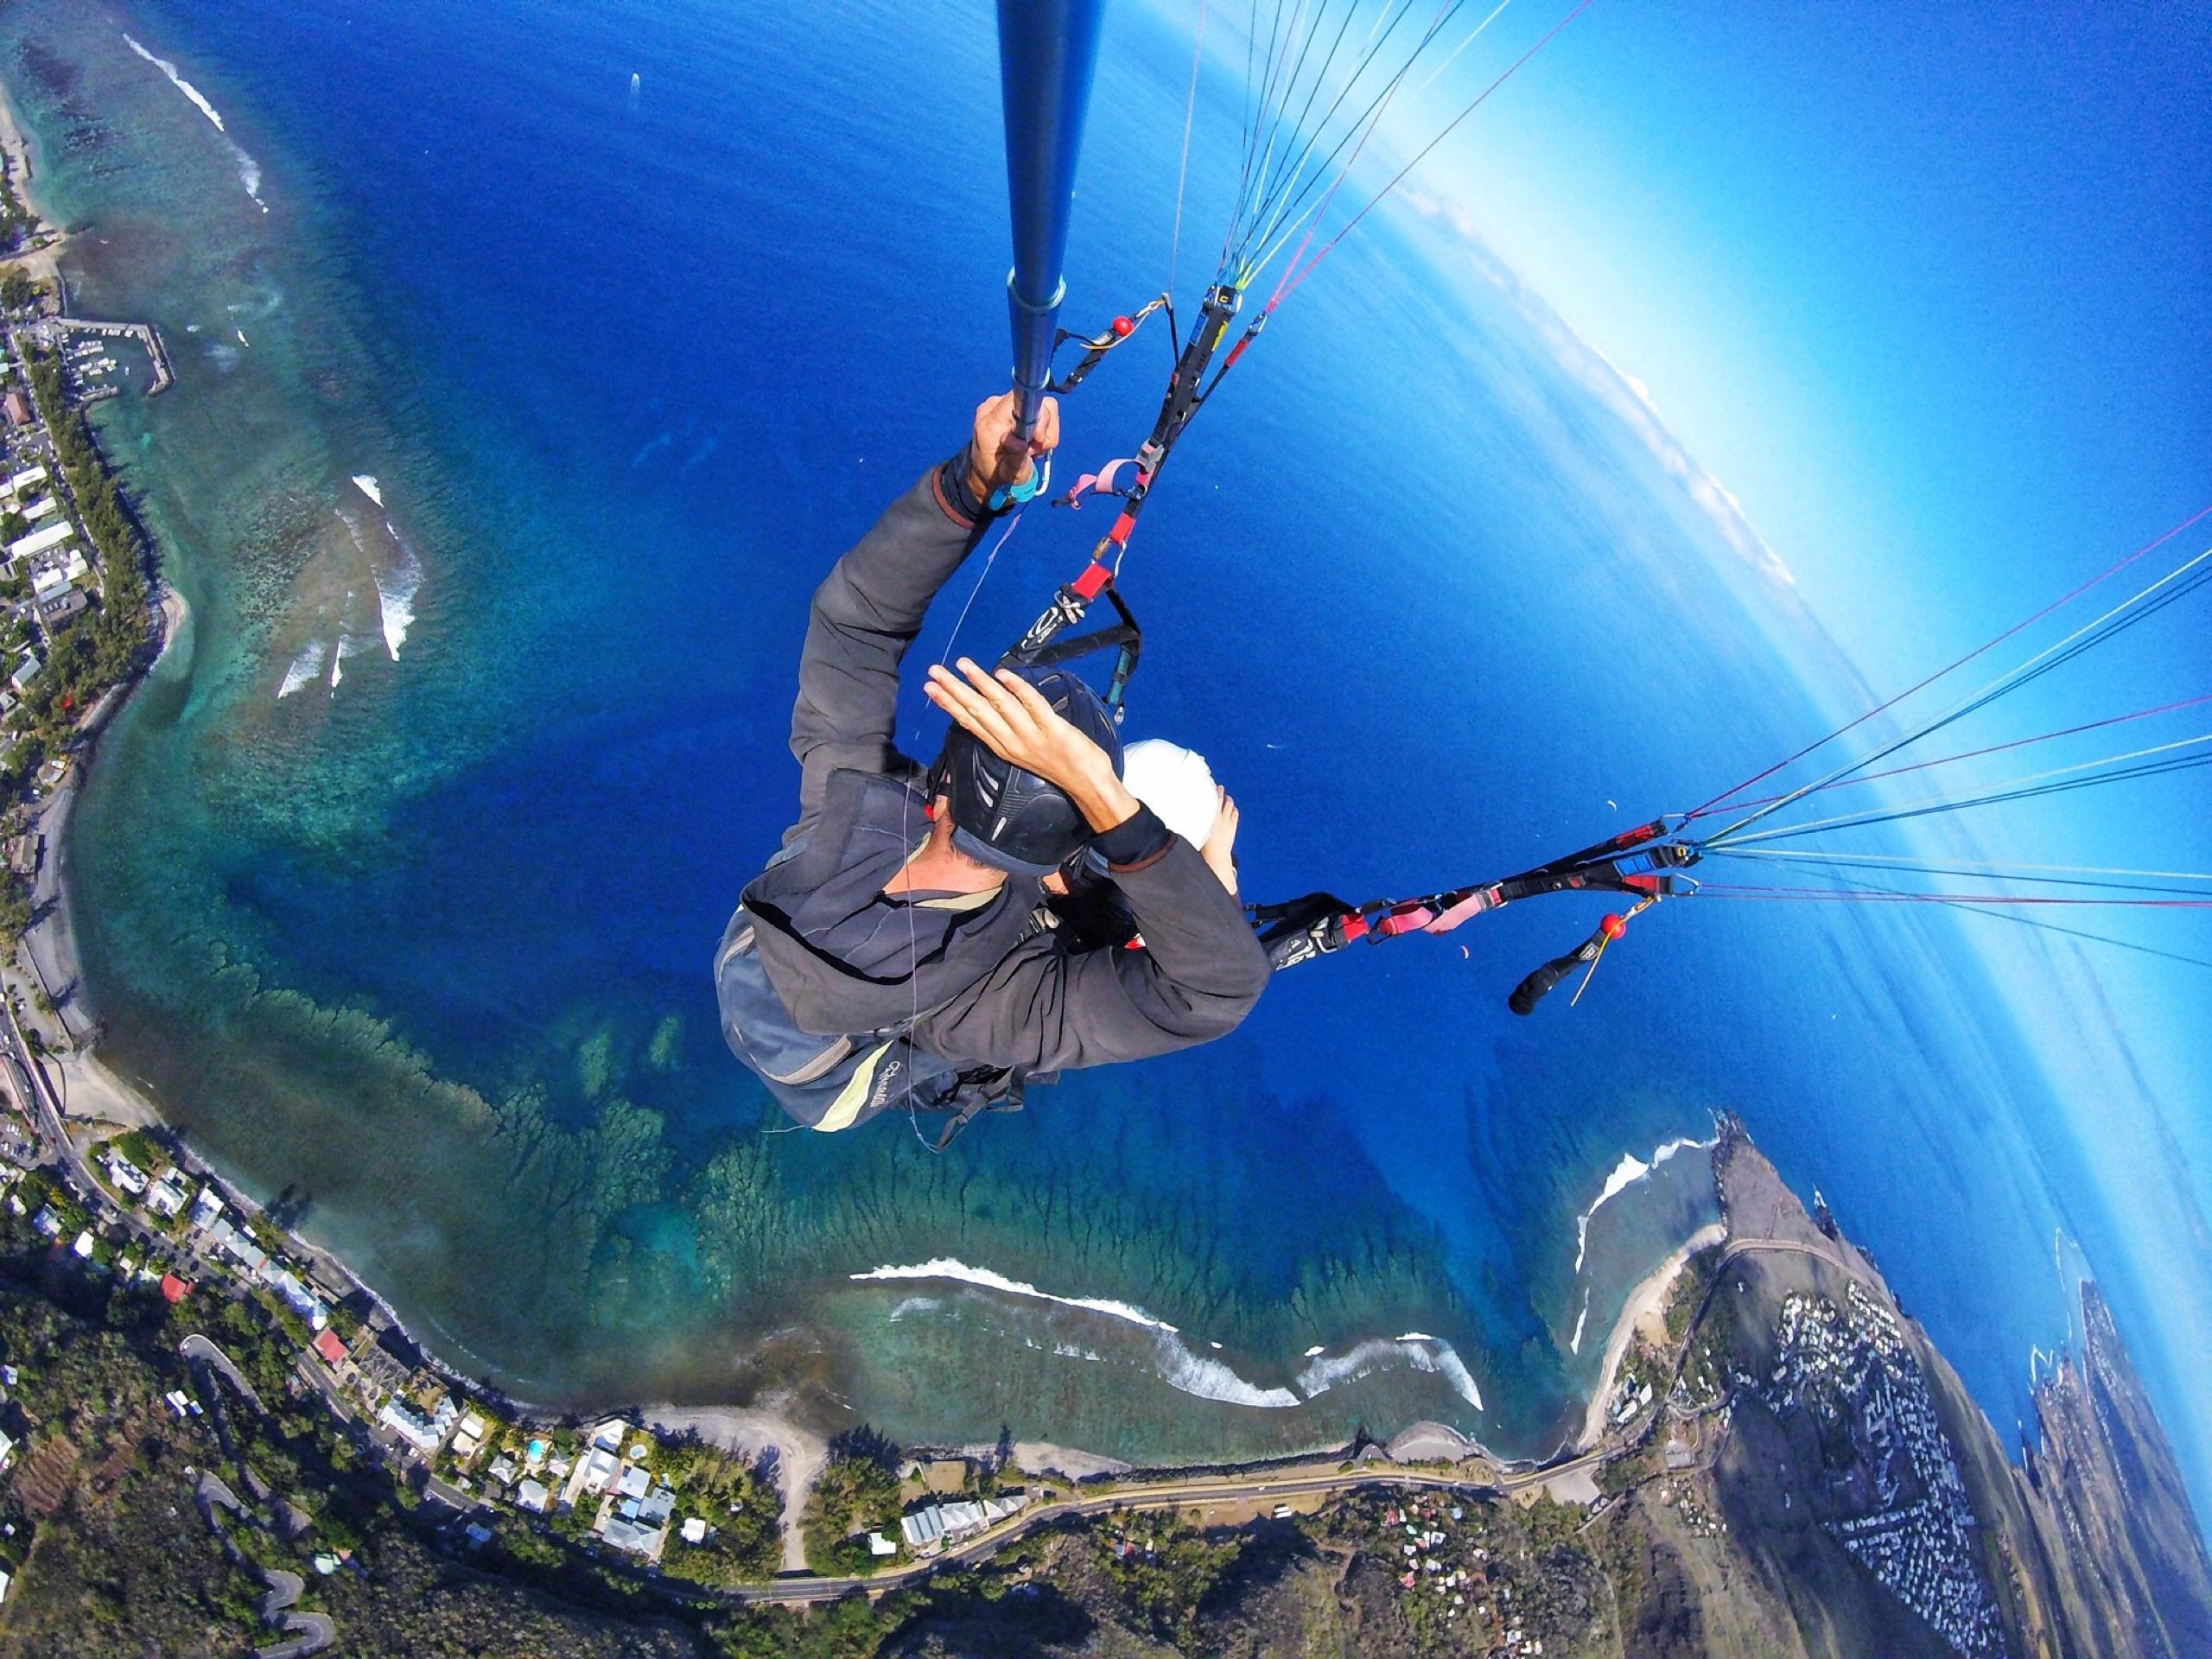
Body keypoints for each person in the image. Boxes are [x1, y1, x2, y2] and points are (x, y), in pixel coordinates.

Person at [715, 391, 1271, 1139]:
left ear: (940, 791)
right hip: (852, 1067)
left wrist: (971, 485)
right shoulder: (984, 1010)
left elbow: (853, 624)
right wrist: (1158, 841)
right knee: (1110, 918)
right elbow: (1218, 992)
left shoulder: (847, 818)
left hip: (787, 962)